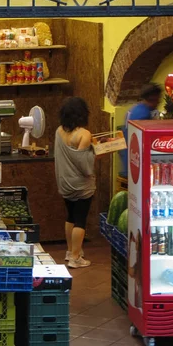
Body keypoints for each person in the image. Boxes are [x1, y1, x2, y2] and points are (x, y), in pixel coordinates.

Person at [55, 97, 95, 269]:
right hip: (80, 185)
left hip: (64, 182)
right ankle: (76, 258)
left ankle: (70, 251)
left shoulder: (59, 131)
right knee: (80, 219)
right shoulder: (84, 135)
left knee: (70, 215)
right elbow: (85, 165)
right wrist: (96, 151)